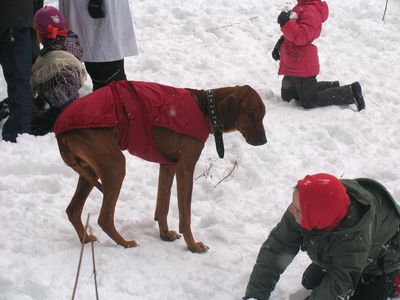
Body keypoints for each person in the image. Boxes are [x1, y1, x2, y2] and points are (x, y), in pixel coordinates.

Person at [244, 173, 400, 300]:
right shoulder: (305, 206)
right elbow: (277, 249)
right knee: (310, 280)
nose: (291, 210)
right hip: (344, 251)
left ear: (318, 219)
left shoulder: (355, 237)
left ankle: (395, 280)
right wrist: (256, 295)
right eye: (293, 204)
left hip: (381, 261)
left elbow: (339, 283)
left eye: (297, 209)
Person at [271, 0, 366, 111]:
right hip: (292, 62)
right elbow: (293, 31)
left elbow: (302, 37)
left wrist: (286, 23)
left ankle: (351, 91)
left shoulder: (312, 11)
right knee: (288, 95)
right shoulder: (301, 6)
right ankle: (331, 86)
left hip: (302, 65)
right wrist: (281, 42)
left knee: (309, 101)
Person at [59, 0, 138, 91]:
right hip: (82, 10)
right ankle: (103, 94)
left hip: (97, 9)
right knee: (92, 59)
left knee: (108, 67)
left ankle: (117, 98)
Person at [30, 6, 86, 135]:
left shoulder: (55, 59)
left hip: (60, 112)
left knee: (28, 125)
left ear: (41, 32)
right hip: (67, 105)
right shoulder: (68, 45)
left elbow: (64, 92)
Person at [0, 0, 35, 142]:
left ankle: (19, 133)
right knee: (19, 80)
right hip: (17, 19)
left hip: (13, 20)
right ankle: (19, 131)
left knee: (18, 81)